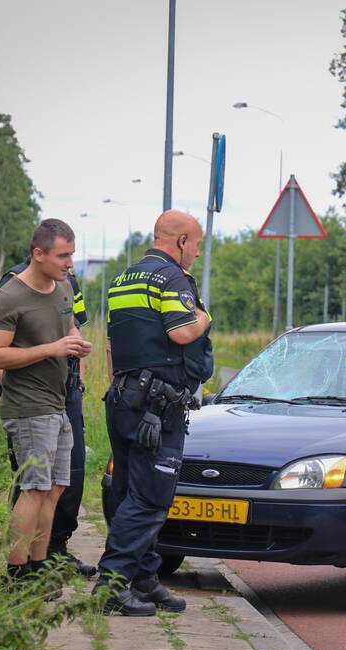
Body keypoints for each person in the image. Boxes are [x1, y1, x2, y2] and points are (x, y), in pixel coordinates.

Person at [95, 210, 213, 616]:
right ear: (181, 241)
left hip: (125, 398)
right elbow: (181, 331)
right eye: (196, 244)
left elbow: (113, 344)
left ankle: (144, 578)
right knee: (149, 499)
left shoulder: (123, 279)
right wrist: (203, 318)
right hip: (156, 407)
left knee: (129, 491)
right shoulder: (172, 278)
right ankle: (112, 586)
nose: (197, 253)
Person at [0, 219, 93, 588]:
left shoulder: (63, 288)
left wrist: (75, 342)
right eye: (63, 256)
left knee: (55, 487)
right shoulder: (9, 297)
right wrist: (52, 349)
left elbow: (68, 328)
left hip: (59, 402)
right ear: (38, 254)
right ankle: (16, 575)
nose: (70, 263)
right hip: (29, 406)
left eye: (72, 255)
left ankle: (40, 566)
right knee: (34, 488)